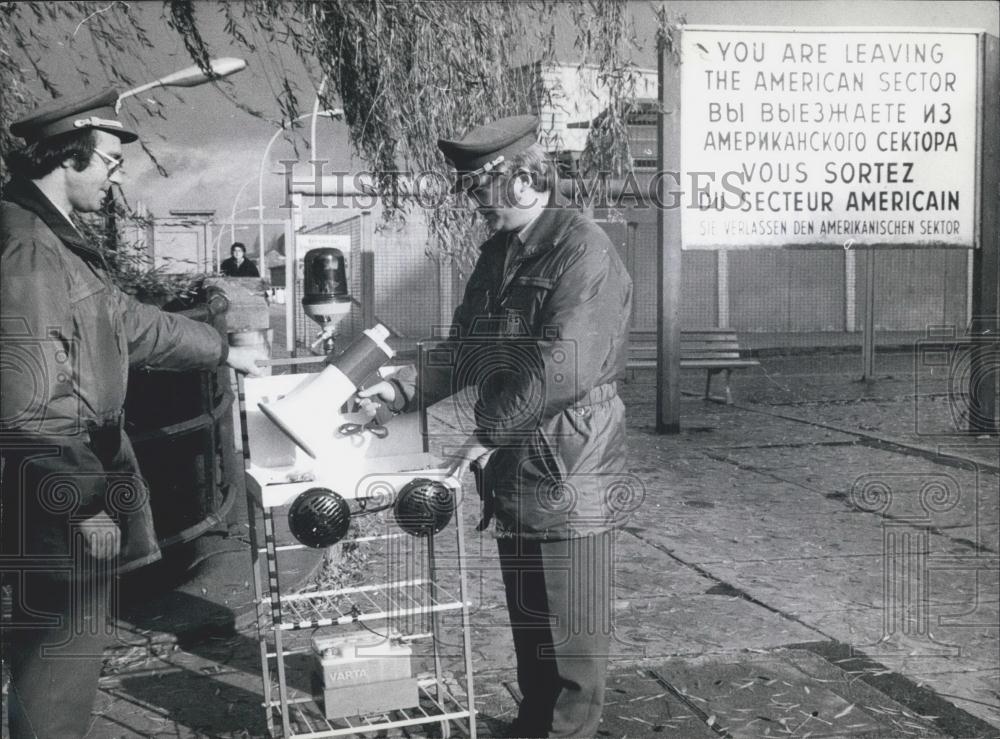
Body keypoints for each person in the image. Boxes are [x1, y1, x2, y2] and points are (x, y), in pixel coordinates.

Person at [0, 89, 264, 738]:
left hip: (62, 481)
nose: (116, 179)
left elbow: (130, 324)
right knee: (59, 667)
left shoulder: (51, 242)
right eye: (110, 164)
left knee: (57, 657)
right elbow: (29, 400)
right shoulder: (33, 252)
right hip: (56, 489)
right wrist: (84, 502)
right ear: (70, 158)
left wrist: (223, 348)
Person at [359, 115, 633, 737]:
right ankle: (531, 725)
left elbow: (561, 365)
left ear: (525, 179)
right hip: (517, 468)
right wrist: (402, 389)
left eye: (480, 188)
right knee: (533, 631)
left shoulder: (585, 250)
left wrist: (485, 434)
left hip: (571, 469)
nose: (472, 203)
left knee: (573, 646)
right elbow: (468, 349)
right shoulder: (498, 255)